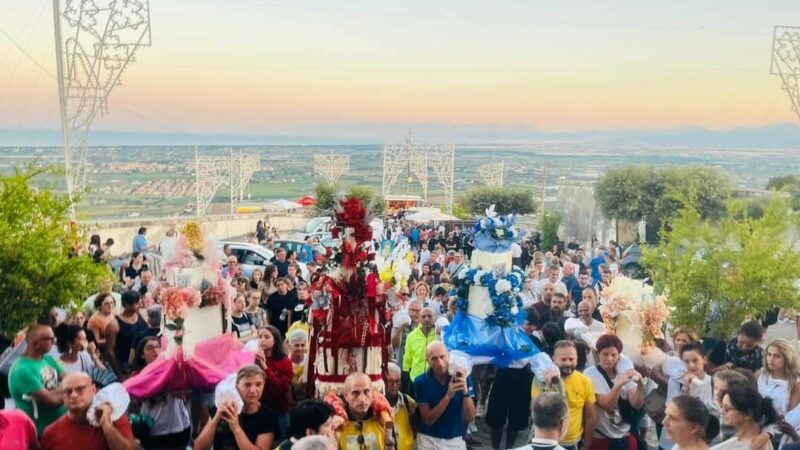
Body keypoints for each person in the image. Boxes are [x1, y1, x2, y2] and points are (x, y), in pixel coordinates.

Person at [40, 372, 136, 450]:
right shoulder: (51, 433)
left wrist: (106, 425)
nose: (73, 395)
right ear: (62, 396)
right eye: (68, 391)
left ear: (93, 389)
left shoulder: (114, 418)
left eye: (80, 389)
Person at [195, 365, 280, 450]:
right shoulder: (223, 407)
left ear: (263, 385)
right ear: (237, 385)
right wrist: (216, 419)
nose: (253, 390)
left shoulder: (268, 416)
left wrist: (236, 429)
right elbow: (199, 447)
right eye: (247, 385)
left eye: (258, 384)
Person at [532, 340, 597, 450]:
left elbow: (591, 416)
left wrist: (586, 445)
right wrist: (548, 385)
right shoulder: (540, 379)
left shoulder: (585, 381)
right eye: (563, 359)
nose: (568, 363)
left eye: (571, 359)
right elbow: (534, 408)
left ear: (577, 358)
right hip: (546, 442)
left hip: (573, 443)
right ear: (554, 359)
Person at [583, 334, 645, 450]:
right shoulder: (590, 374)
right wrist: (618, 384)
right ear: (598, 354)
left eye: (614, 355)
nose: (610, 359)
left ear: (619, 356)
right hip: (601, 437)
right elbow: (607, 405)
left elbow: (636, 404)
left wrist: (641, 386)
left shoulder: (625, 371)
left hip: (625, 434)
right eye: (605, 354)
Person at [413, 342, 475, 449]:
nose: (440, 363)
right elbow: (428, 420)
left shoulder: (462, 376)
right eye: (434, 359)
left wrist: (465, 390)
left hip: (454, 439)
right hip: (428, 439)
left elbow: (470, 417)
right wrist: (448, 396)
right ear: (427, 361)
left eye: (442, 357)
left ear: (449, 356)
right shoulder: (421, 382)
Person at [132, 338, 191, 450]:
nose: (155, 350)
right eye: (150, 348)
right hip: (154, 429)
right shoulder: (137, 375)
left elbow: (186, 391)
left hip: (178, 425)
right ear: (142, 355)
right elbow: (133, 399)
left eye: (157, 346)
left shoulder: (172, 367)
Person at [9, 324, 66, 435]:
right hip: (41, 433)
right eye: (49, 338)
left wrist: (56, 391)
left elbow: (70, 380)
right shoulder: (22, 370)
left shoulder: (47, 359)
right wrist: (65, 389)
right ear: (36, 343)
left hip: (59, 427)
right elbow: (52, 402)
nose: (53, 341)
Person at [660, 342, 715, 450]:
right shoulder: (675, 381)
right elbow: (672, 409)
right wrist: (686, 388)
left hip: (697, 440)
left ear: (704, 360)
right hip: (672, 439)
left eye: (695, 360)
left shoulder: (713, 382)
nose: (691, 365)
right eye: (686, 361)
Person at [340, 372, 395, 450]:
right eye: (355, 393)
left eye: (366, 392)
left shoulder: (383, 420)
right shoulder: (338, 424)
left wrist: (389, 440)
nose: (362, 399)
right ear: (346, 396)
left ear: (372, 393)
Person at [716, 385, 778, 450]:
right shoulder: (734, 439)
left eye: (728, 409)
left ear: (747, 414)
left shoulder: (755, 445)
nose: (722, 412)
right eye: (721, 407)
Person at [253, 326, 293, 425]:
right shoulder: (254, 359)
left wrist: (265, 366)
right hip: (259, 409)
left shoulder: (285, 362)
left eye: (267, 337)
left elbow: (282, 388)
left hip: (279, 410)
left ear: (275, 341)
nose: (262, 340)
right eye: (260, 337)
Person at [105, 290, 148, 379]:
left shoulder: (143, 315)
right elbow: (109, 351)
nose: (141, 305)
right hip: (126, 366)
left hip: (144, 362)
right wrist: (120, 374)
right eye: (137, 303)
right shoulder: (114, 324)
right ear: (127, 305)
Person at [757, 338, 800, 416]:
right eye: (769, 354)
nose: (771, 359)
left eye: (777, 356)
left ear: (787, 358)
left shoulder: (795, 385)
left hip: (780, 425)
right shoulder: (760, 374)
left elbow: (792, 417)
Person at [403, 307, 438, 387]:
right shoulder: (412, 336)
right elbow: (407, 357)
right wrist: (405, 376)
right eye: (423, 316)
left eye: (429, 316)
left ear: (435, 317)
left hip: (435, 381)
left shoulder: (439, 336)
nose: (426, 319)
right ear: (419, 319)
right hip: (416, 380)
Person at [386, 362, 417, 450]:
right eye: (390, 381)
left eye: (397, 381)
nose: (394, 385)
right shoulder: (375, 404)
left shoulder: (408, 401)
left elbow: (415, 424)